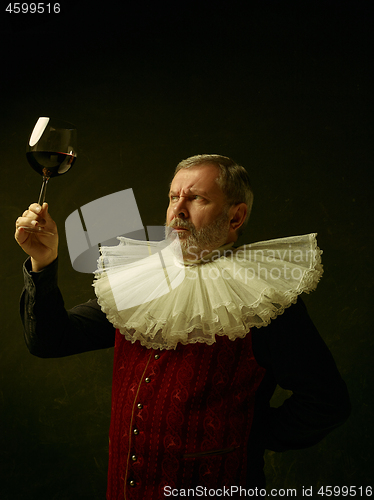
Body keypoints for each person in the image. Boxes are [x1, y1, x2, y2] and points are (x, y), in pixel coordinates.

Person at [15, 155, 350, 499]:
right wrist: (43, 263)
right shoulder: (137, 284)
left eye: (197, 198)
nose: (179, 210)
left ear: (236, 216)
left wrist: (246, 437)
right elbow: (49, 340)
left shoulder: (265, 301)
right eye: (174, 197)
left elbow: (327, 401)